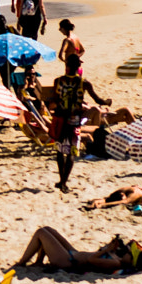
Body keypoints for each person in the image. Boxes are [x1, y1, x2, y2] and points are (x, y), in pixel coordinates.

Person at [40, 62, 111, 191]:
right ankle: (64, 182)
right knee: (72, 152)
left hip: (61, 119)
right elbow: (98, 100)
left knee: (60, 151)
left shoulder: (58, 81)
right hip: (74, 121)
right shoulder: (84, 83)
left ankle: (61, 180)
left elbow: (55, 100)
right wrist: (107, 102)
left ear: (66, 67)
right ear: (78, 68)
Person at [12, 228, 142, 275]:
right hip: (73, 254)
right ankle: (38, 262)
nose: (125, 251)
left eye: (128, 252)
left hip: (68, 261)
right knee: (48, 229)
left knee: (41, 233)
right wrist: (110, 247)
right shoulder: (116, 258)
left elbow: (92, 260)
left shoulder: (115, 263)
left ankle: (21, 263)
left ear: (130, 260)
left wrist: (106, 250)